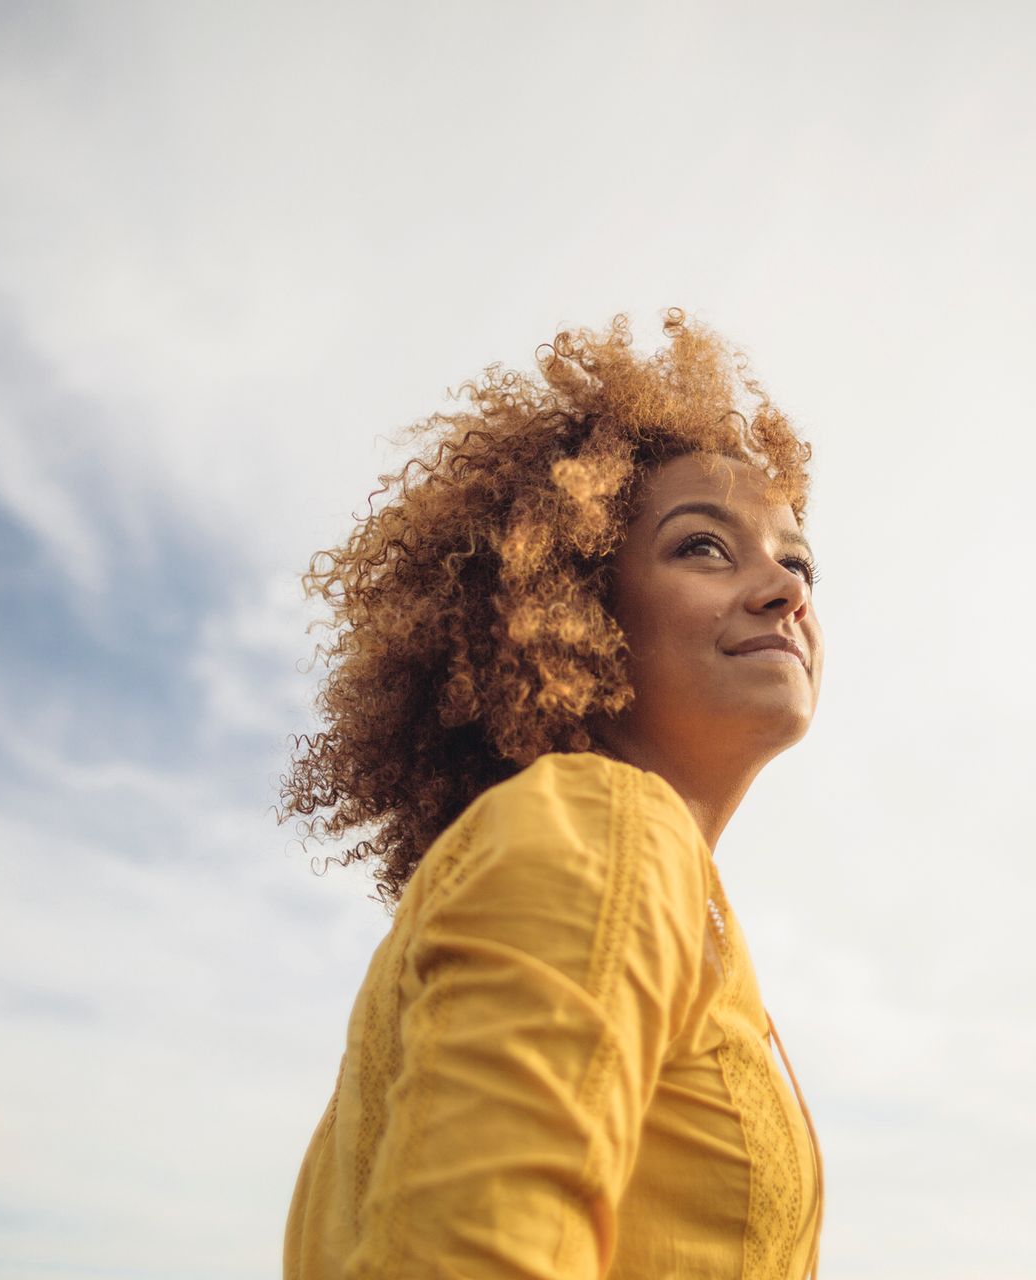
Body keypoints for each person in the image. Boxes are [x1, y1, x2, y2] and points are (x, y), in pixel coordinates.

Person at [279, 309, 827, 1279]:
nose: (785, 589)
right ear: (574, 602)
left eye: (798, 560)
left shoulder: (618, 863)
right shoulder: (606, 826)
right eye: (706, 546)